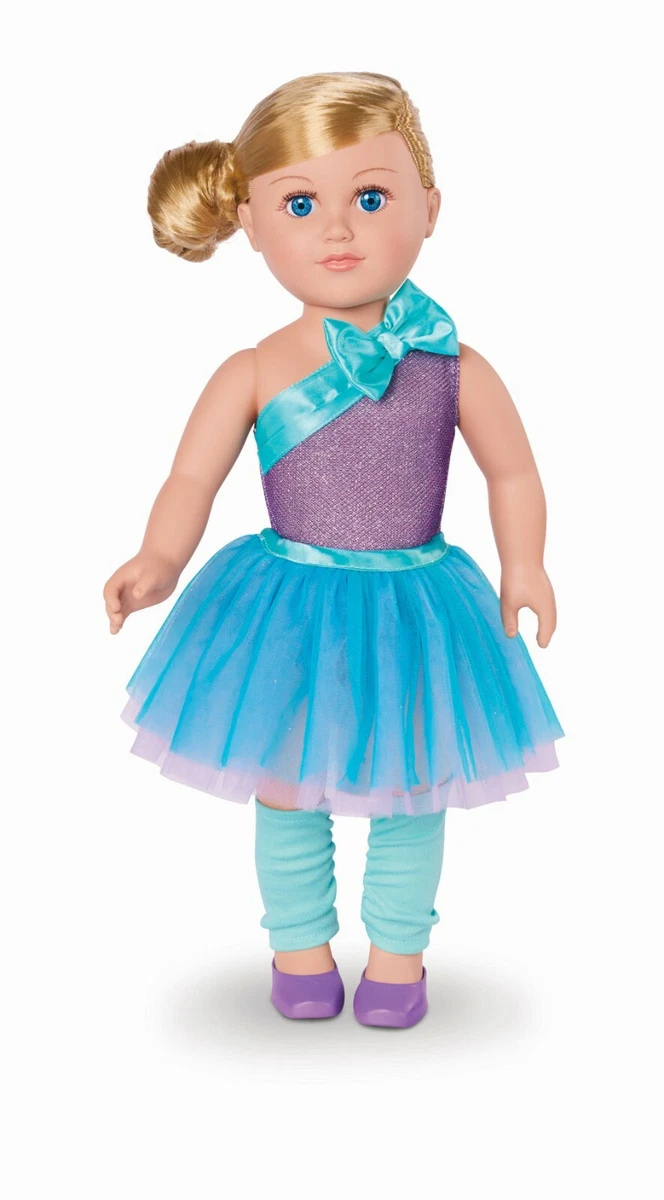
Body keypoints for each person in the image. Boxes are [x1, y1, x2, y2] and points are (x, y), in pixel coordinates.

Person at [103, 71, 564, 1029]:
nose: (339, 229)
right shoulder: (254, 369)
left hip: (418, 599)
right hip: (288, 600)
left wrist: (525, 564)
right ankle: (299, 950)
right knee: (284, 784)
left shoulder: (453, 366)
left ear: (430, 208)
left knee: (412, 787)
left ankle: (398, 958)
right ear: (250, 224)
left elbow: (513, 473)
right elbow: (191, 479)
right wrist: (160, 558)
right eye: (301, 204)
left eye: (373, 196)